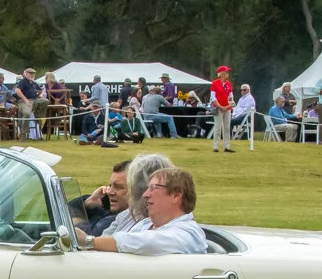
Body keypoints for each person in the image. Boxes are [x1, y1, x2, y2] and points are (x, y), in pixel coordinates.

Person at [76, 167, 205, 256]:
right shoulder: (145, 224)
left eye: (154, 188)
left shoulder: (188, 232)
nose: (145, 194)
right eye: (148, 188)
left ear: (176, 196)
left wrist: (89, 241)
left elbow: (147, 243)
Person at [77, 160, 131, 236]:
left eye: (118, 187)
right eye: (110, 185)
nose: (109, 192)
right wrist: (88, 202)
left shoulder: (115, 221)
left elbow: (82, 238)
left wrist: (75, 221)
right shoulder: (106, 209)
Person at [14, 68, 49, 139]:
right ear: (26, 74)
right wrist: (25, 100)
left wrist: (40, 95)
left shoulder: (33, 82)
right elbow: (17, 90)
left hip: (34, 100)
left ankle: (38, 115)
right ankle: (23, 133)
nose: (31, 75)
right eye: (30, 73)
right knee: (26, 113)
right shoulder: (23, 81)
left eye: (33, 74)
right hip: (23, 101)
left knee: (45, 101)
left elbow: (40, 90)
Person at [210, 65, 235, 153]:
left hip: (227, 108)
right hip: (218, 107)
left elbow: (230, 96)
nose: (228, 74)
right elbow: (213, 97)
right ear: (222, 74)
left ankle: (227, 146)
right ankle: (215, 146)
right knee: (218, 127)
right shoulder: (214, 83)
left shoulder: (229, 84)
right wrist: (220, 106)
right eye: (226, 72)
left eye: (227, 72)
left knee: (227, 127)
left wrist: (228, 106)